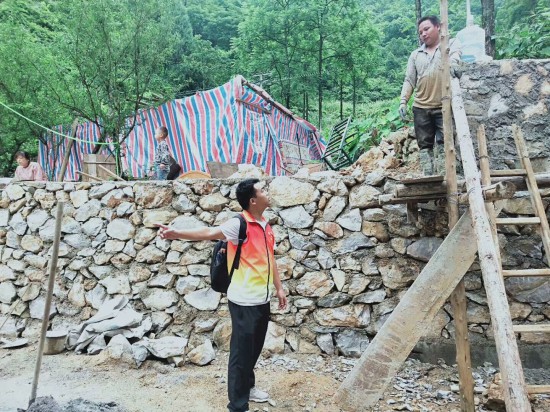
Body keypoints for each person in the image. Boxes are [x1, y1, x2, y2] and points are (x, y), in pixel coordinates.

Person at [157, 178, 287, 412]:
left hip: (262, 298)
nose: (267, 192)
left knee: (254, 348)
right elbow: (209, 232)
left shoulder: (265, 225)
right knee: (241, 352)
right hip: (244, 300)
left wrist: (279, 288)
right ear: (253, 200)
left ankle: (248, 387)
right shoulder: (239, 224)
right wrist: (175, 233)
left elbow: (270, 259)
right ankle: (237, 405)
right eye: (263, 190)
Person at [399, 15, 461, 176]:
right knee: (424, 145)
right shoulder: (416, 55)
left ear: (438, 27)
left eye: (426, 29)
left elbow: (455, 55)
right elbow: (409, 80)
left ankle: (446, 176)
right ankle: (428, 177)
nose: (423, 34)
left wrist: (454, 63)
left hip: (443, 105)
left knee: (445, 141)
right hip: (421, 107)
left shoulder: (449, 44)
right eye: (420, 32)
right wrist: (403, 102)